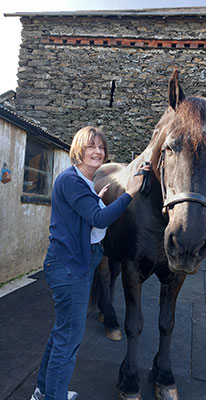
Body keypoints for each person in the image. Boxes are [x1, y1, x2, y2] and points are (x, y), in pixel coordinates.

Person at [32, 126, 149, 400]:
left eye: (101, 147)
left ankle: (45, 391)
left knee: (61, 334)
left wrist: (95, 201)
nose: (98, 151)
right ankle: (54, 397)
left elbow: (85, 215)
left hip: (72, 264)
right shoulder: (72, 180)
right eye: (91, 146)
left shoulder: (82, 182)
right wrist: (130, 192)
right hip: (69, 267)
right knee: (69, 340)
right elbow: (98, 219)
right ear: (78, 150)